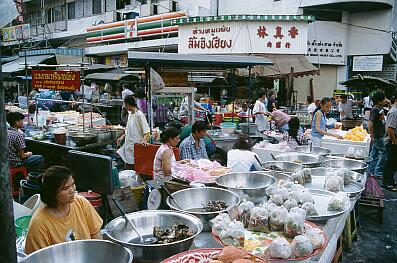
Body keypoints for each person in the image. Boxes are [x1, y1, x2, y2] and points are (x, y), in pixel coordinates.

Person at [25, 166, 103, 254]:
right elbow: (40, 258)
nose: (72, 190)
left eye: (73, 184)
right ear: (52, 193)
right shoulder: (39, 223)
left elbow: (96, 234)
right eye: (65, 188)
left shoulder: (81, 203)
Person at [117, 95, 151, 169]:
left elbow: (147, 132)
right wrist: (122, 137)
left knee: (136, 168)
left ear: (128, 105)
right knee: (129, 168)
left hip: (136, 147)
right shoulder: (130, 114)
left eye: (125, 105)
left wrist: (144, 140)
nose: (124, 107)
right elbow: (129, 128)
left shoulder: (139, 115)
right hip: (129, 145)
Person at [368, 90, 386, 178]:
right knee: (384, 152)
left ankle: (370, 171)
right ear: (379, 101)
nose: (385, 100)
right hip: (378, 135)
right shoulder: (375, 109)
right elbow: (370, 123)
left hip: (379, 135)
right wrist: (371, 136)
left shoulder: (380, 108)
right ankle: (377, 172)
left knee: (374, 154)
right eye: (384, 99)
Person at [383, 90, 397, 191]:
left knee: (393, 162)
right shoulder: (394, 112)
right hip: (392, 140)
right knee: (390, 162)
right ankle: (387, 183)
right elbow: (390, 129)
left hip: (394, 139)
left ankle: (391, 181)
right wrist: (394, 141)